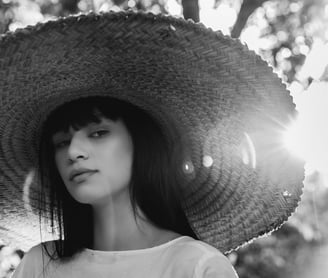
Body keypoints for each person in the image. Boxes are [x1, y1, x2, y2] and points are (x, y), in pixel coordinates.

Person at [0, 11, 304, 278]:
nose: (73, 152)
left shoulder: (197, 267)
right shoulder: (39, 265)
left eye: (98, 133)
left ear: (141, 142)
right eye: (61, 142)